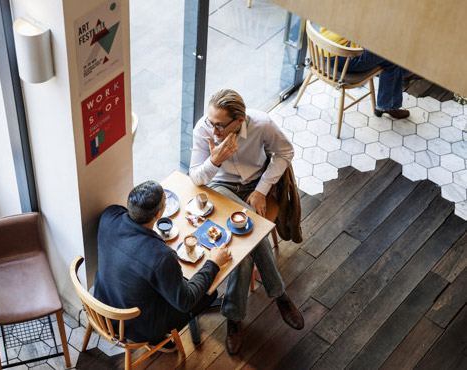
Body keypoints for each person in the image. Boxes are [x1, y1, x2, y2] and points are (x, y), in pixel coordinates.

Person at [189, 89, 304, 355]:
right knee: (249, 234)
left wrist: (262, 189)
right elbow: (196, 178)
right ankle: (280, 295)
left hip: (254, 185)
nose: (213, 129)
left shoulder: (261, 124)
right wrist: (215, 159)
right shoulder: (203, 130)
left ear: (239, 120)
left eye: (220, 124)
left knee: (242, 243)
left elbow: (286, 152)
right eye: (210, 122)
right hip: (221, 188)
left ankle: (234, 316)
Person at [94, 181, 232, 349]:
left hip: (102, 305)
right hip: (138, 327)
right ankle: (157, 339)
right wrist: (213, 263)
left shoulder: (109, 215)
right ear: (159, 213)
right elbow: (186, 301)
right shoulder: (161, 256)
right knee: (209, 294)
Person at [320, 28, 410, 119]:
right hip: (343, 58)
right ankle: (389, 105)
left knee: (388, 58)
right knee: (392, 53)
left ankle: (388, 101)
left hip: (324, 49)